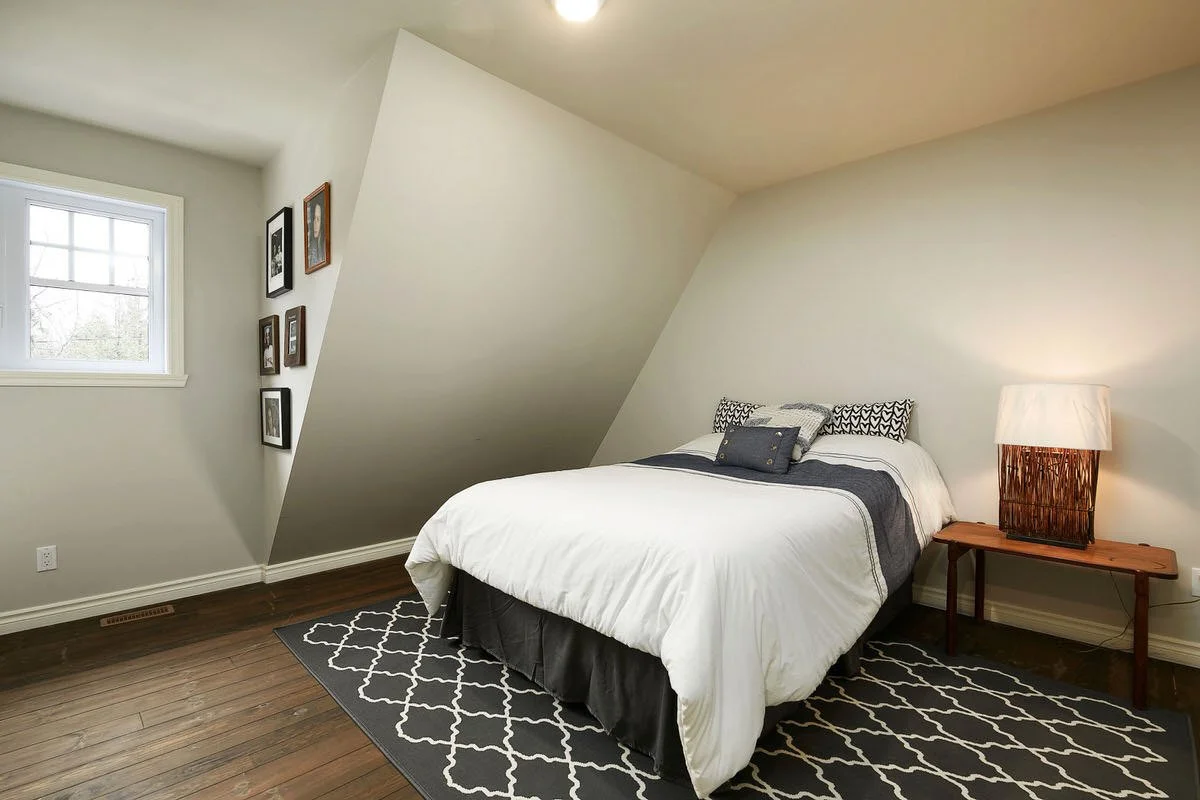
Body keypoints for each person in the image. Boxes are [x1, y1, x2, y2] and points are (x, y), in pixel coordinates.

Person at [307, 197, 325, 267]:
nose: (315, 224)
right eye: (314, 218)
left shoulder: (324, 246)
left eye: (318, 219)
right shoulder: (312, 245)